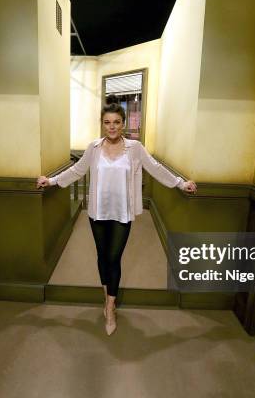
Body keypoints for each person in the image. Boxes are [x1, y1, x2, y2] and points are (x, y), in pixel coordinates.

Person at [36, 100, 197, 335]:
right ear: (102, 124)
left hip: (122, 213)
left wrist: (181, 184)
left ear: (123, 125)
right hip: (98, 213)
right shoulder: (94, 148)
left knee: (114, 257)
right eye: (107, 122)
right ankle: (108, 298)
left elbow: (155, 168)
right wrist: (51, 181)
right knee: (102, 256)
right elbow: (77, 170)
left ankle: (110, 307)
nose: (111, 127)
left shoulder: (135, 148)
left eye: (116, 123)